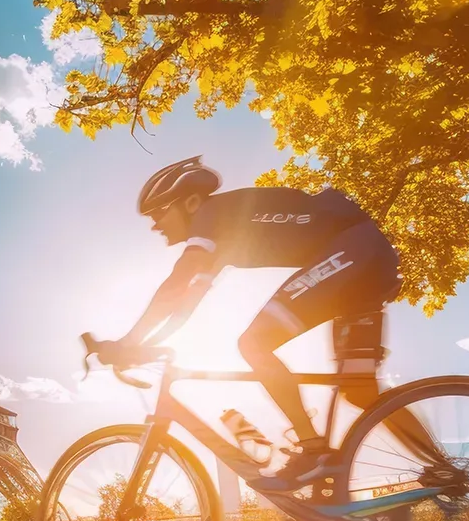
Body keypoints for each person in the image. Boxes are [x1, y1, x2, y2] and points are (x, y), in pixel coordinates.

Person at [95, 156, 443, 491]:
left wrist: (128, 343)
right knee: (361, 390)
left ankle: (314, 452)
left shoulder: (209, 214)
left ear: (190, 203)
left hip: (353, 252)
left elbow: (176, 282)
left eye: (158, 213)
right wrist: (143, 346)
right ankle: (443, 468)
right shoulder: (218, 239)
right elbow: (184, 304)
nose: (155, 225)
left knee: (254, 343)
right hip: (364, 263)